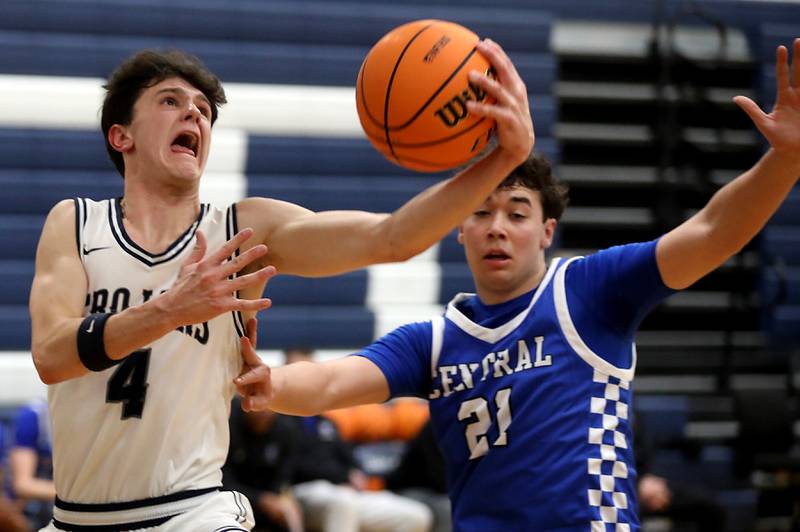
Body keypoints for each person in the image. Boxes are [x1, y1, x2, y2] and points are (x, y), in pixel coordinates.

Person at [237, 39, 800, 531]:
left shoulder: (587, 291)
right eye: (481, 213)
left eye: (516, 212)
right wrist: (271, 382)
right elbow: (334, 380)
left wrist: (783, 161)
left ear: (546, 231)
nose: (497, 228)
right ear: (458, 230)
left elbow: (710, 231)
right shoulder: (434, 340)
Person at [28, 36, 533, 531]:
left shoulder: (245, 230)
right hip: (77, 518)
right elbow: (51, 357)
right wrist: (168, 310)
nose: (194, 115)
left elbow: (391, 238)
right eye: (170, 101)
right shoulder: (75, 223)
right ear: (122, 136)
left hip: (193, 513)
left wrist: (501, 161)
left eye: (204, 109)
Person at [284, 348, 433, 532]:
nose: (304, 380)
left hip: (344, 492)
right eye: (297, 373)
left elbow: (347, 456)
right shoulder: (281, 422)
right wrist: (343, 476)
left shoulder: (326, 422)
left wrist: (357, 474)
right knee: (343, 503)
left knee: (414, 516)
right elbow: (295, 467)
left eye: (308, 373)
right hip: (306, 492)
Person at [223, 400, 304, 532]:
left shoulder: (286, 430)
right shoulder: (230, 425)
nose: (264, 410)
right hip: (232, 500)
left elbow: (284, 477)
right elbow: (224, 481)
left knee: (290, 510)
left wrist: (277, 500)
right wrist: (261, 500)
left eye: (270, 404)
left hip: (269, 501)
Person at [8, 399, 55, 530]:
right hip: (30, 510)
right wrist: (81, 493)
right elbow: (23, 485)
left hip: (66, 503)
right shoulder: (35, 416)